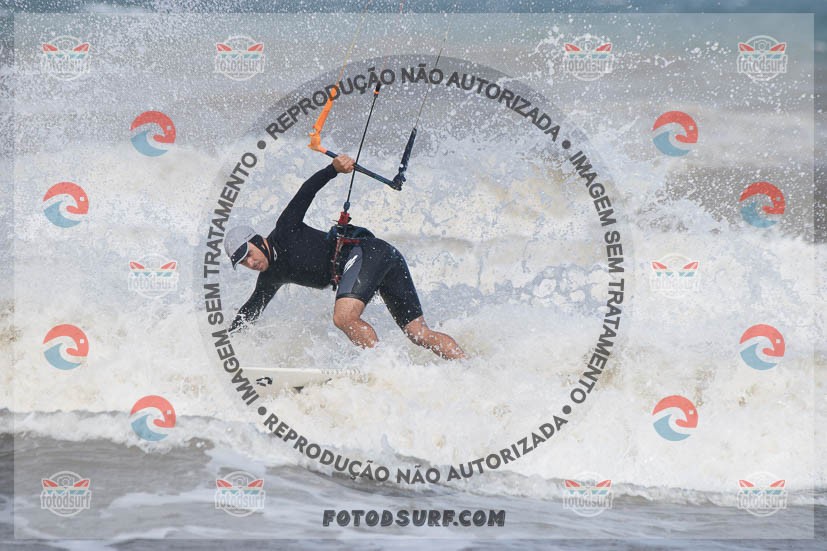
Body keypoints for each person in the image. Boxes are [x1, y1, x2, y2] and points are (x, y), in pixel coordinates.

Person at [225, 154, 466, 360]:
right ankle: (467, 365)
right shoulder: (270, 278)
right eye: (244, 263)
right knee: (418, 333)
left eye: (249, 254)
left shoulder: (285, 229)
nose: (251, 263)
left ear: (258, 241)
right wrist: (227, 346)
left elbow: (306, 191)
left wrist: (333, 169)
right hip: (383, 257)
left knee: (344, 317)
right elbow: (249, 312)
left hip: (369, 253)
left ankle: (383, 369)